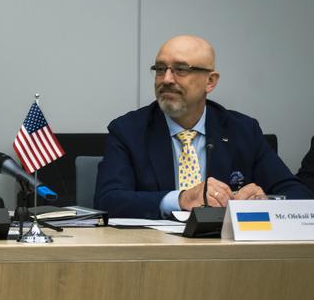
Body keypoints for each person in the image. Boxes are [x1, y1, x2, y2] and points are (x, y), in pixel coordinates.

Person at [94, 34, 312, 218]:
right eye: (160, 69)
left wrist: (264, 201)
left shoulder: (243, 130)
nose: (166, 79)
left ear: (210, 81)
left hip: (227, 252)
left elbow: (299, 194)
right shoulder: (129, 130)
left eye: (181, 69)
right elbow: (107, 200)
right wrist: (181, 198)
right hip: (156, 253)